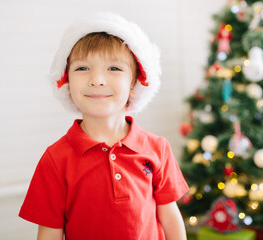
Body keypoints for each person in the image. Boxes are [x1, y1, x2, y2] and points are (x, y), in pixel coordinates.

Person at [19, 12, 189, 240]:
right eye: (82, 68)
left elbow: (170, 218)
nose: (97, 79)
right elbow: (49, 234)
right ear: (66, 80)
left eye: (114, 69)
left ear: (133, 83)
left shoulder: (158, 148)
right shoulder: (55, 160)